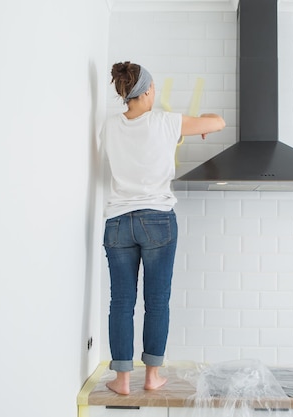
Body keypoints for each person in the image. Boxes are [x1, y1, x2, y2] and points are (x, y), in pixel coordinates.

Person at [101, 61, 225, 395]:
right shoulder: (167, 122)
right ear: (148, 90)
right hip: (157, 219)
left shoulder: (110, 126)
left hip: (117, 222)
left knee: (121, 303)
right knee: (156, 302)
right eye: (153, 88)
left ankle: (123, 380)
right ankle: (152, 377)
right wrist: (198, 125)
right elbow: (218, 122)